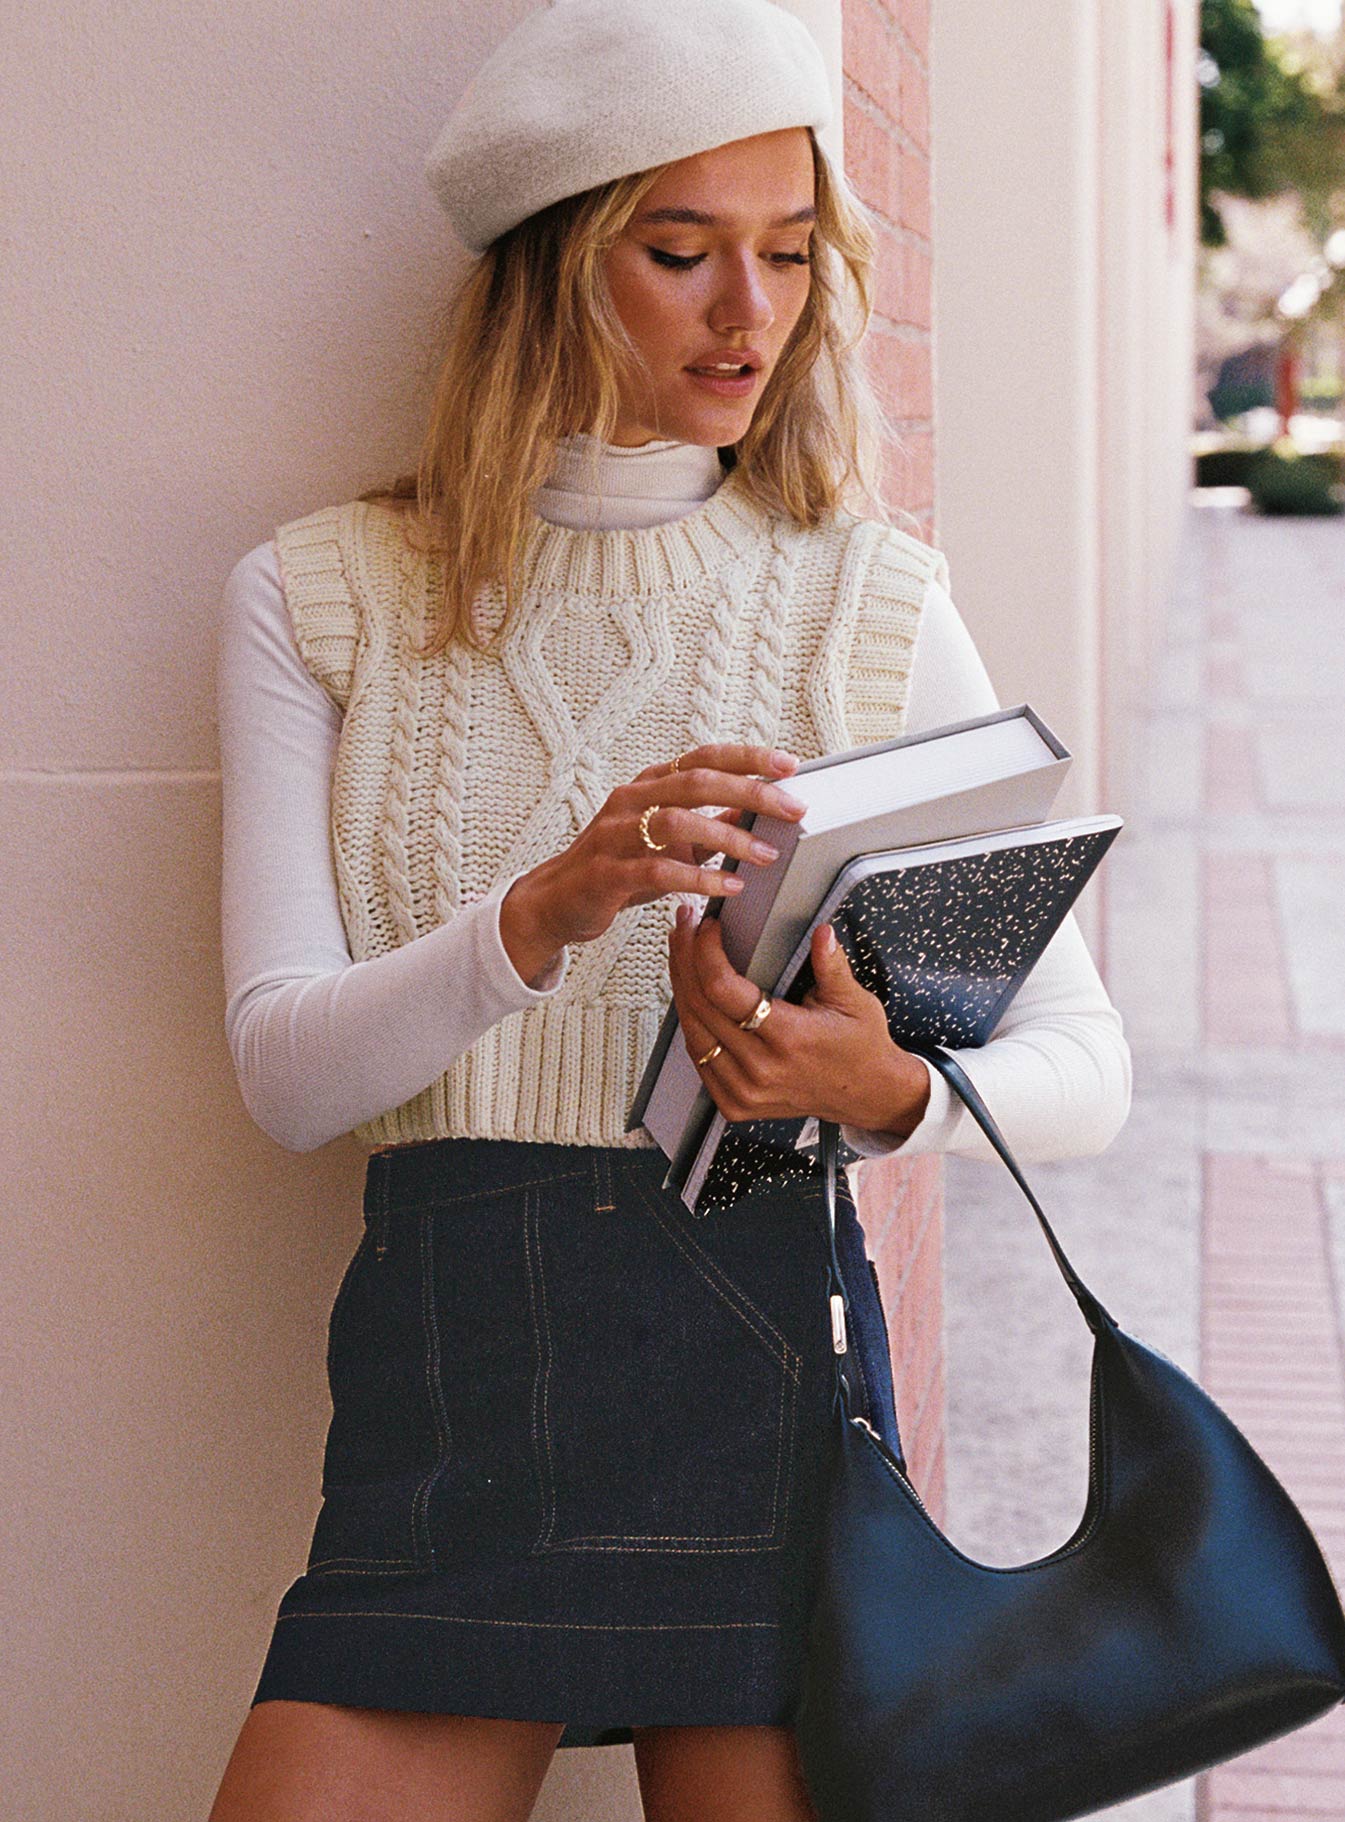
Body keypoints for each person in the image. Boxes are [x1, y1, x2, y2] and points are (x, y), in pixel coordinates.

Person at [208, 3, 1132, 1818]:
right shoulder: (322, 595)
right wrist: (541, 909)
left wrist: (876, 1090)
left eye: (789, 255)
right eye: (681, 251)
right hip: (453, 1373)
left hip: (761, 1343)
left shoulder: (864, 596)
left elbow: (1084, 1067)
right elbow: (283, 1076)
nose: (749, 314)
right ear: (555, 271)